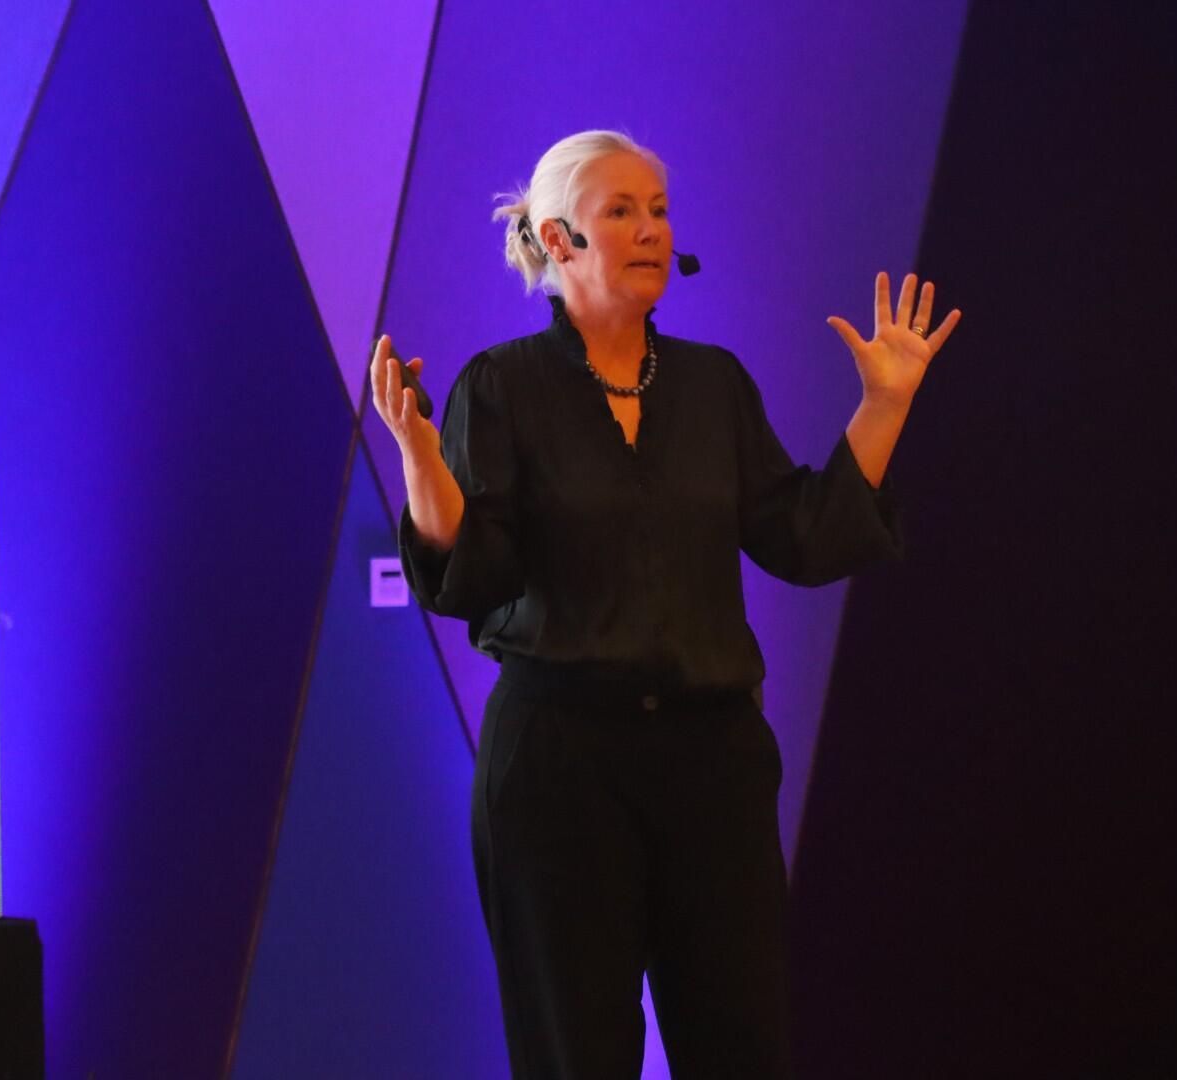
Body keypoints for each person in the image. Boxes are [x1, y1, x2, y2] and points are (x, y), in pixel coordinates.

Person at [372, 130, 960, 1080]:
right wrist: (420, 461)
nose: (652, 229)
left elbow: (805, 537)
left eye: (659, 210)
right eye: (622, 212)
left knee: (743, 1050)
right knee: (577, 1056)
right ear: (558, 240)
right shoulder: (503, 384)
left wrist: (884, 403)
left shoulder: (713, 383)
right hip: (560, 775)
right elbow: (473, 576)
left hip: (712, 768)